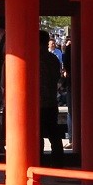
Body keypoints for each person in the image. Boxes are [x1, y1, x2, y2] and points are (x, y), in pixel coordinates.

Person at [40, 29, 64, 163]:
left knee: (37, 134)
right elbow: (57, 77)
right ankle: (58, 159)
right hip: (51, 99)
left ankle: (38, 160)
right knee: (53, 132)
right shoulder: (53, 58)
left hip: (36, 102)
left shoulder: (33, 58)